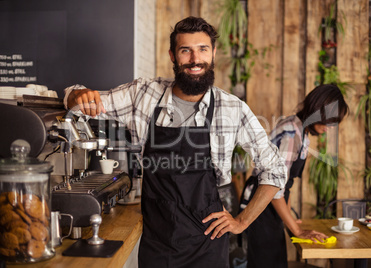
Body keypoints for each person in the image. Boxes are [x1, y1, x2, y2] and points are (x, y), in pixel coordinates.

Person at [63, 17, 287, 268]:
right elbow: (80, 103)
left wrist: (242, 221)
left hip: (208, 245)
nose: (195, 59)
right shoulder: (144, 94)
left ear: (214, 53)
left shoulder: (232, 108)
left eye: (202, 49)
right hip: (158, 244)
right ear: (172, 55)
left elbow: (275, 168)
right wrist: (76, 95)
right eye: (185, 50)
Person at [240, 84, 349, 268]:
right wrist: (296, 229)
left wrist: (289, 219)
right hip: (261, 205)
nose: (330, 127)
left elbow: (285, 184)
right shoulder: (292, 134)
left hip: (270, 205)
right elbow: (274, 188)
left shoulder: (302, 132)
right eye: (329, 121)